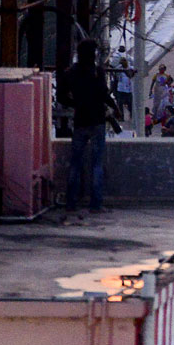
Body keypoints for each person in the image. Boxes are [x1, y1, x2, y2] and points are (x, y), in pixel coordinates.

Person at [58, 39, 118, 214]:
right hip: (97, 121)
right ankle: (96, 204)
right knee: (96, 164)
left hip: (80, 121)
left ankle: (71, 202)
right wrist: (114, 107)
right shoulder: (97, 72)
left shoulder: (71, 73)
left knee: (75, 163)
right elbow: (104, 94)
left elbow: (62, 97)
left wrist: (75, 104)